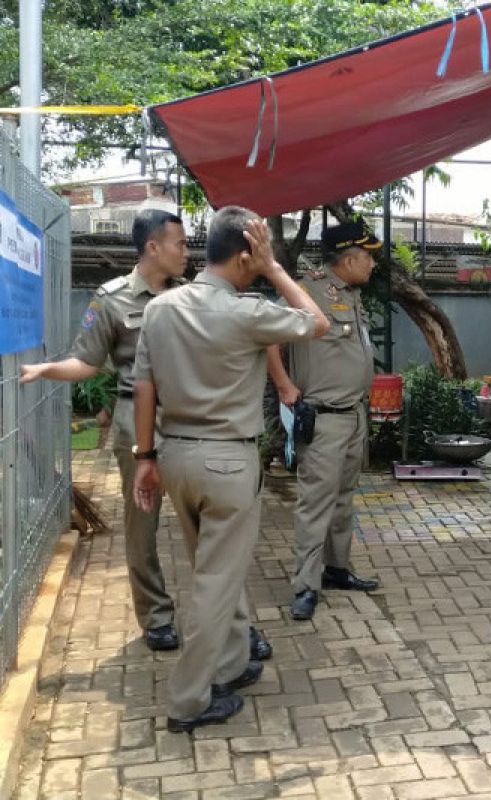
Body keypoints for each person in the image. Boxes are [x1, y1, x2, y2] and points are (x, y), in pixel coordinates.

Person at [19, 211, 263, 654]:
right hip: (136, 419)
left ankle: (232, 625)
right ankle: (155, 616)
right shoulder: (110, 300)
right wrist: (47, 370)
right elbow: (87, 362)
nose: (186, 251)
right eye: (179, 243)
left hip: (191, 419)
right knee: (142, 526)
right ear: (153, 247)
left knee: (214, 531)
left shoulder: (193, 294)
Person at [131, 206, 329, 732]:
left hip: (174, 457)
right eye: (256, 257)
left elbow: (144, 388)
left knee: (215, 569)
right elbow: (317, 322)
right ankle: (189, 700)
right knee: (215, 584)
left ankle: (233, 661)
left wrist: (144, 459)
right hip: (227, 461)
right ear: (245, 257)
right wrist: (275, 269)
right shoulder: (246, 311)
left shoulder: (160, 309)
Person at [267, 221, 383, 622]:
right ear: (349, 258)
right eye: (368, 256)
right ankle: (305, 585)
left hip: (353, 416)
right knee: (315, 504)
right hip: (324, 418)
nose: (373, 263)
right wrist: (283, 385)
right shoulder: (308, 291)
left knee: (343, 500)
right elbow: (269, 338)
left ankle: (336, 569)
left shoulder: (351, 295)